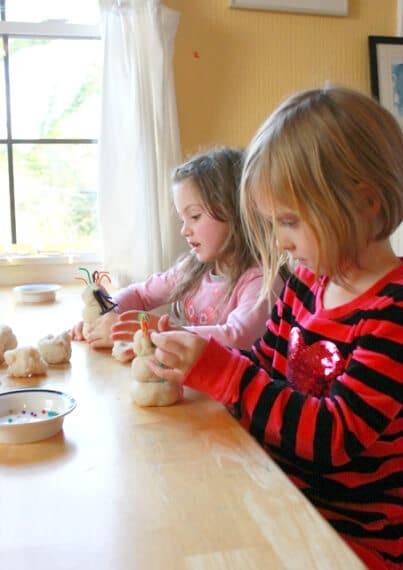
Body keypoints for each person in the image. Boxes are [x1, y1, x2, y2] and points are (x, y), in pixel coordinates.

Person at [139, 87, 403, 569]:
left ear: (365, 204)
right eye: (271, 222)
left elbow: (332, 436)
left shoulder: (393, 311)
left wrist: (222, 374)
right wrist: (195, 364)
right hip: (283, 498)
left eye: (290, 221)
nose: (279, 241)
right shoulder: (304, 283)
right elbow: (265, 365)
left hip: (355, 541)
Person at [74, 147, 286, 350]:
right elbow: (140, 294)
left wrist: (152, 331)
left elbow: (237, 337)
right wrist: (104, 316)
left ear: (237, 211)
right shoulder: (192, 269)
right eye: (182, 218)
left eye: (194, 216)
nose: (184, 230)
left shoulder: (261, 280)